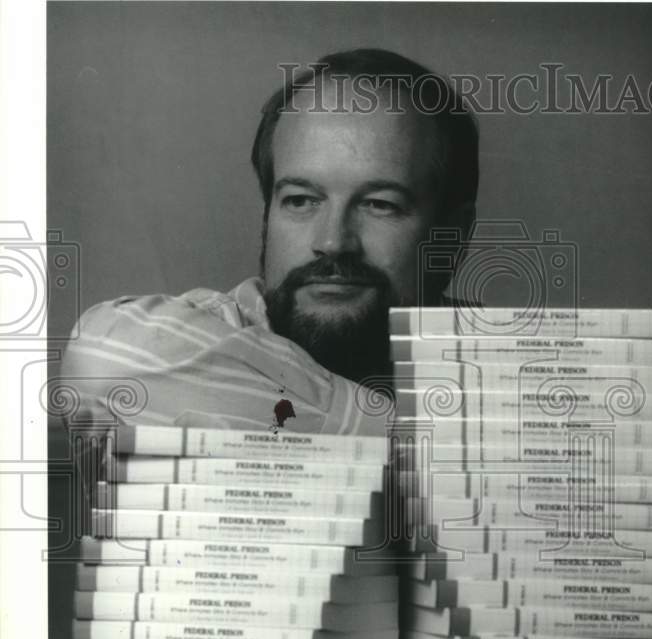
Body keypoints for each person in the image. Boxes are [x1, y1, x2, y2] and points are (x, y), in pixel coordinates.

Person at [59, 48, 479, 435]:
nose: (333, 242)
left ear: (453, 235)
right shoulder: (182, 343)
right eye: (300, 200)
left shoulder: (513, 370)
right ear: (267, 215)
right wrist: (433, 440)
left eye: (379, 204)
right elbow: (102, 364)